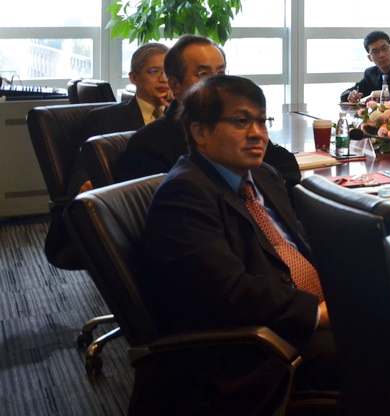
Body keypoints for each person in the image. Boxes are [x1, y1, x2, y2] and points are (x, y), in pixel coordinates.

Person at [142, 75, 338, 402]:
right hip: (259, 348)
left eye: (262, 121)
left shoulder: (263, 175)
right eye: (240, 122)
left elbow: (300, 246)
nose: (257, 133)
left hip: (301, 310)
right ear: (200, 132)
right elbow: (230, 294)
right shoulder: (185, 194)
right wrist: (318, 314)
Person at [114, 35, 300, 189]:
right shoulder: (148, 144)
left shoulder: (234, 125)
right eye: (203, 75)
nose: (216, 83)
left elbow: (284, 163)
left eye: (220, 74)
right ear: (175, 85)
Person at [84, 42, 171, 138]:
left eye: (169, 71)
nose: (164, 79)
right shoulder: (104, 119)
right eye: (154, 71)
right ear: (133, 78)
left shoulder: (181, 115)